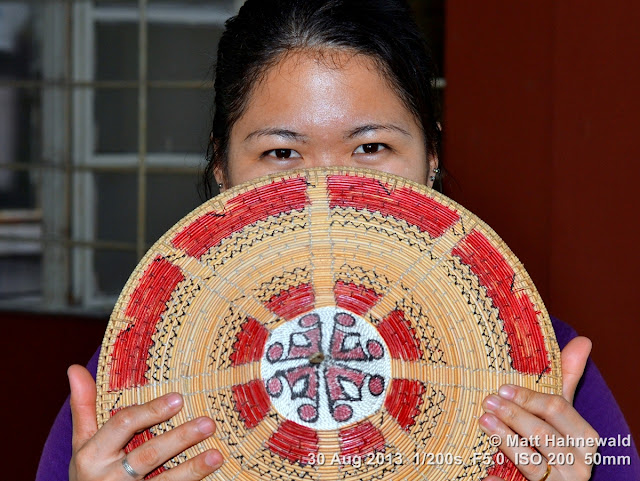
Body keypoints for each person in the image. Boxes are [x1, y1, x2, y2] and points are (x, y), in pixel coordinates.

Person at [37, 1, 639, 480]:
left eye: (371, 147)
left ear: (431, 156)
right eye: (281, 152)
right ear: (222, 169)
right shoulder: (130, 389)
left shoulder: (547, 374)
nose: (328, 186)